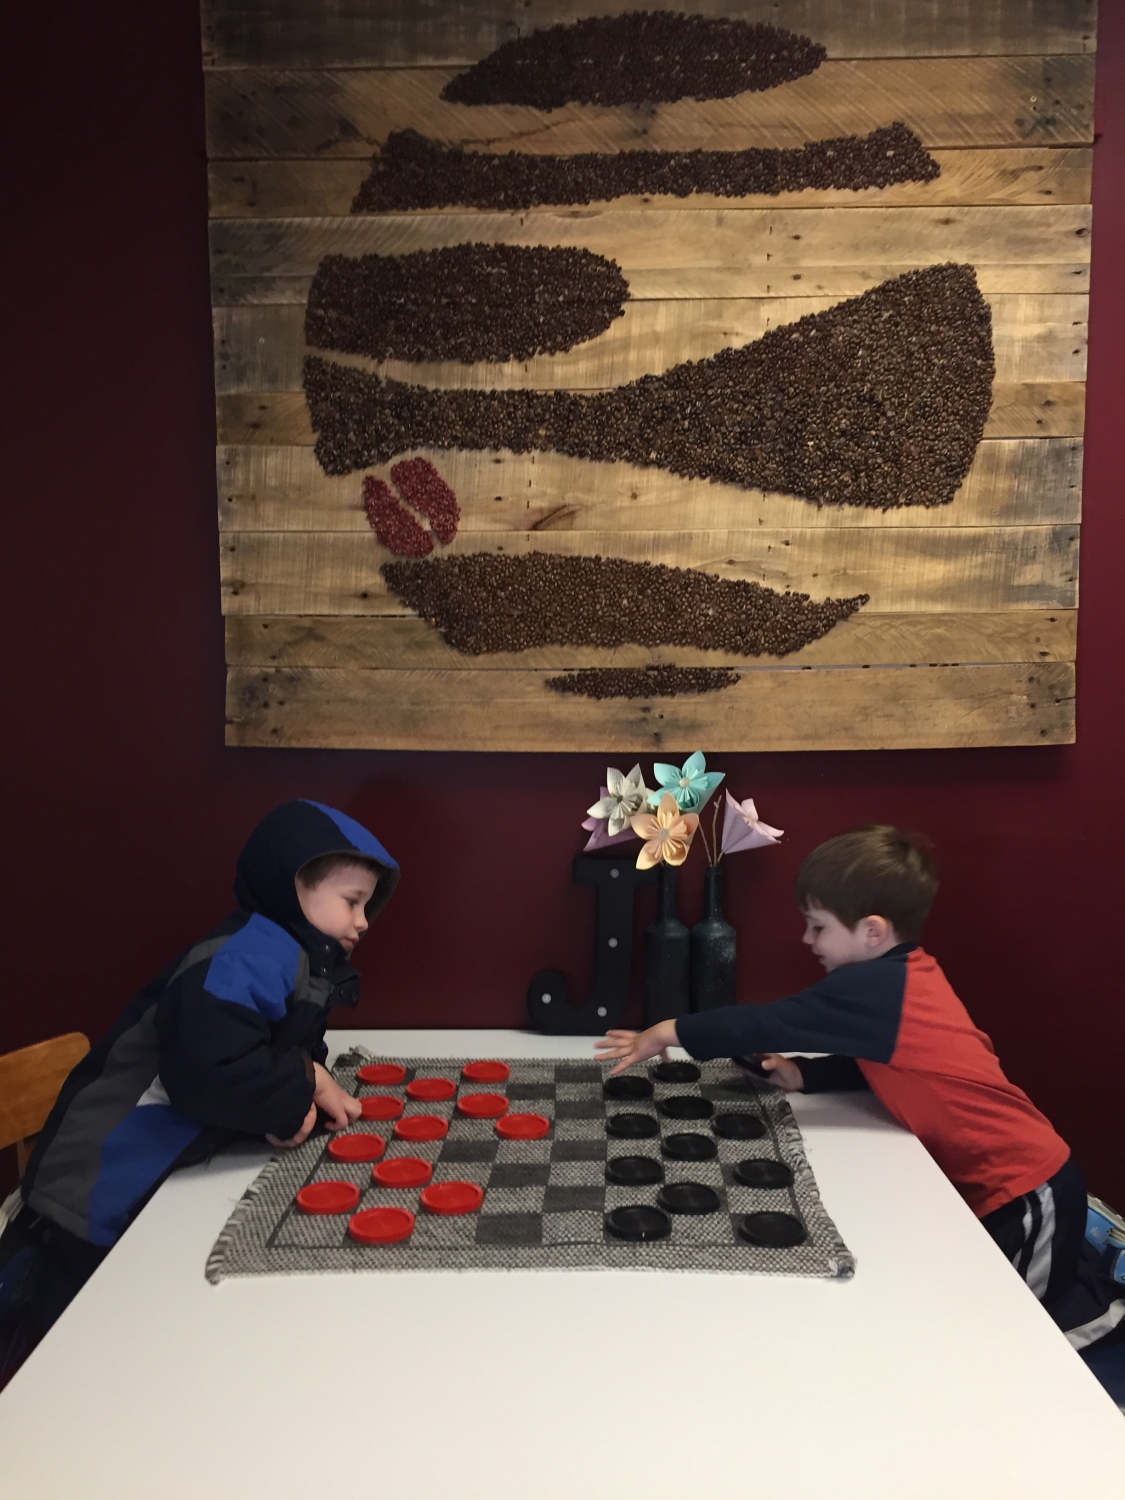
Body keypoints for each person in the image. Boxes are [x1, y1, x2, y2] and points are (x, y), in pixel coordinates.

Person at [596, 824, 1124, 1352]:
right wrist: (806, 1075)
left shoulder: (874, 987)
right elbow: (888, 1062)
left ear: (872, 931)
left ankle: (1108, 1317)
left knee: (1023, 1338)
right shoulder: (901, 978)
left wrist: (669, 1030)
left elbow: (771, 1021)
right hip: (1004, 1186)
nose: (807, 940)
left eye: (817, 926)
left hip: (1029, 1190)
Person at [0, 799, 398, 1380]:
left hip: (153, 1181)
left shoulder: (297, 961)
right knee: (64, 1365)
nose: (363, 922)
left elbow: (269, 1051)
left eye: (367, 905)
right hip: (94, 1193)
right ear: (293, 886)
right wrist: (302, 1083)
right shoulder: (247, 956)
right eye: (352, 903)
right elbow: (211, 1073)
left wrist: (290, 1090)